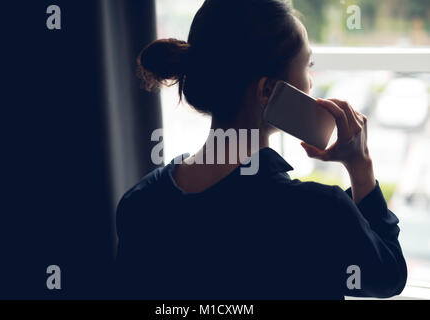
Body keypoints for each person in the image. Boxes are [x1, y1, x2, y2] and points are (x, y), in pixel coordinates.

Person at [113, 0, 407, 299]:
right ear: (267, 91)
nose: (310, 83)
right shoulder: (317, 212)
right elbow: (388, 277)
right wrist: (361, 167)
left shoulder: (140, 203)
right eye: (307, 66)